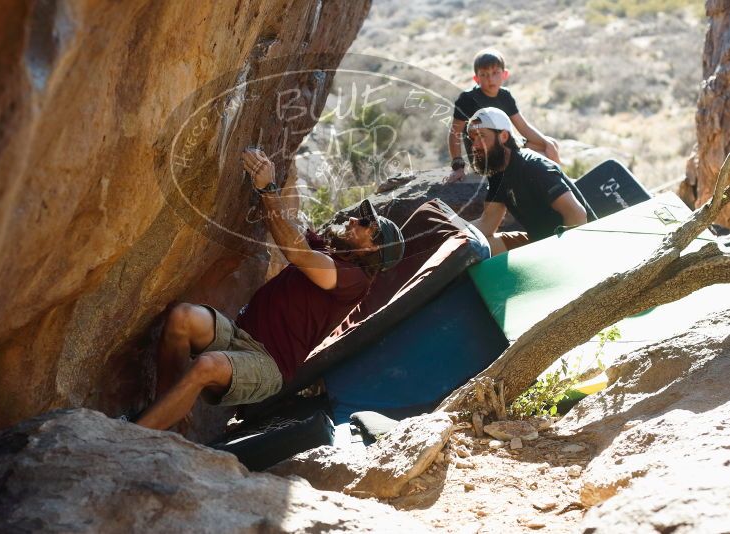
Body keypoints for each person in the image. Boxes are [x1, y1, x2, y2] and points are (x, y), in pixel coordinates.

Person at [136, 149, 405, 430]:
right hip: (240, 334)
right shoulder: (332, 251)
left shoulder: (355, 279)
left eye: (364, 223)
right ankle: (163, 414)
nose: (352, 220)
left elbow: (297, 252)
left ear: (374, 247)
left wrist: (268, 188)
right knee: (182, 318)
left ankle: (135, 436)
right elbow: (290, 229)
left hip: (267, 364)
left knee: (207, 365)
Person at [466, 107, 595, 255]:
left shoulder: (534, 166)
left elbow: (577, 215)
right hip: (541, 243)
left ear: (503, 136)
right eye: (473, 138)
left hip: (577, 247)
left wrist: (562, 258)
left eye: (481, 136)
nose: (475, 146)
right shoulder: (497, 174)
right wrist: (453, 234)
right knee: (476, 247)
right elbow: (487, 223)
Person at [447, 48, 561, 183]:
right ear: (476, 78)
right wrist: (458, 166)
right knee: (541, 154)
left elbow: (523, 127)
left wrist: (546, 143)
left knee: (550, 144)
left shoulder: (505, 96)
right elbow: (455, 133)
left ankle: (560, 185)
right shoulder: (467, 99)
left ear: (504, 74)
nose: (490, 79)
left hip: (504, 146)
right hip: (484, 154)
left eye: (495, 73)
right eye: (484, 75)